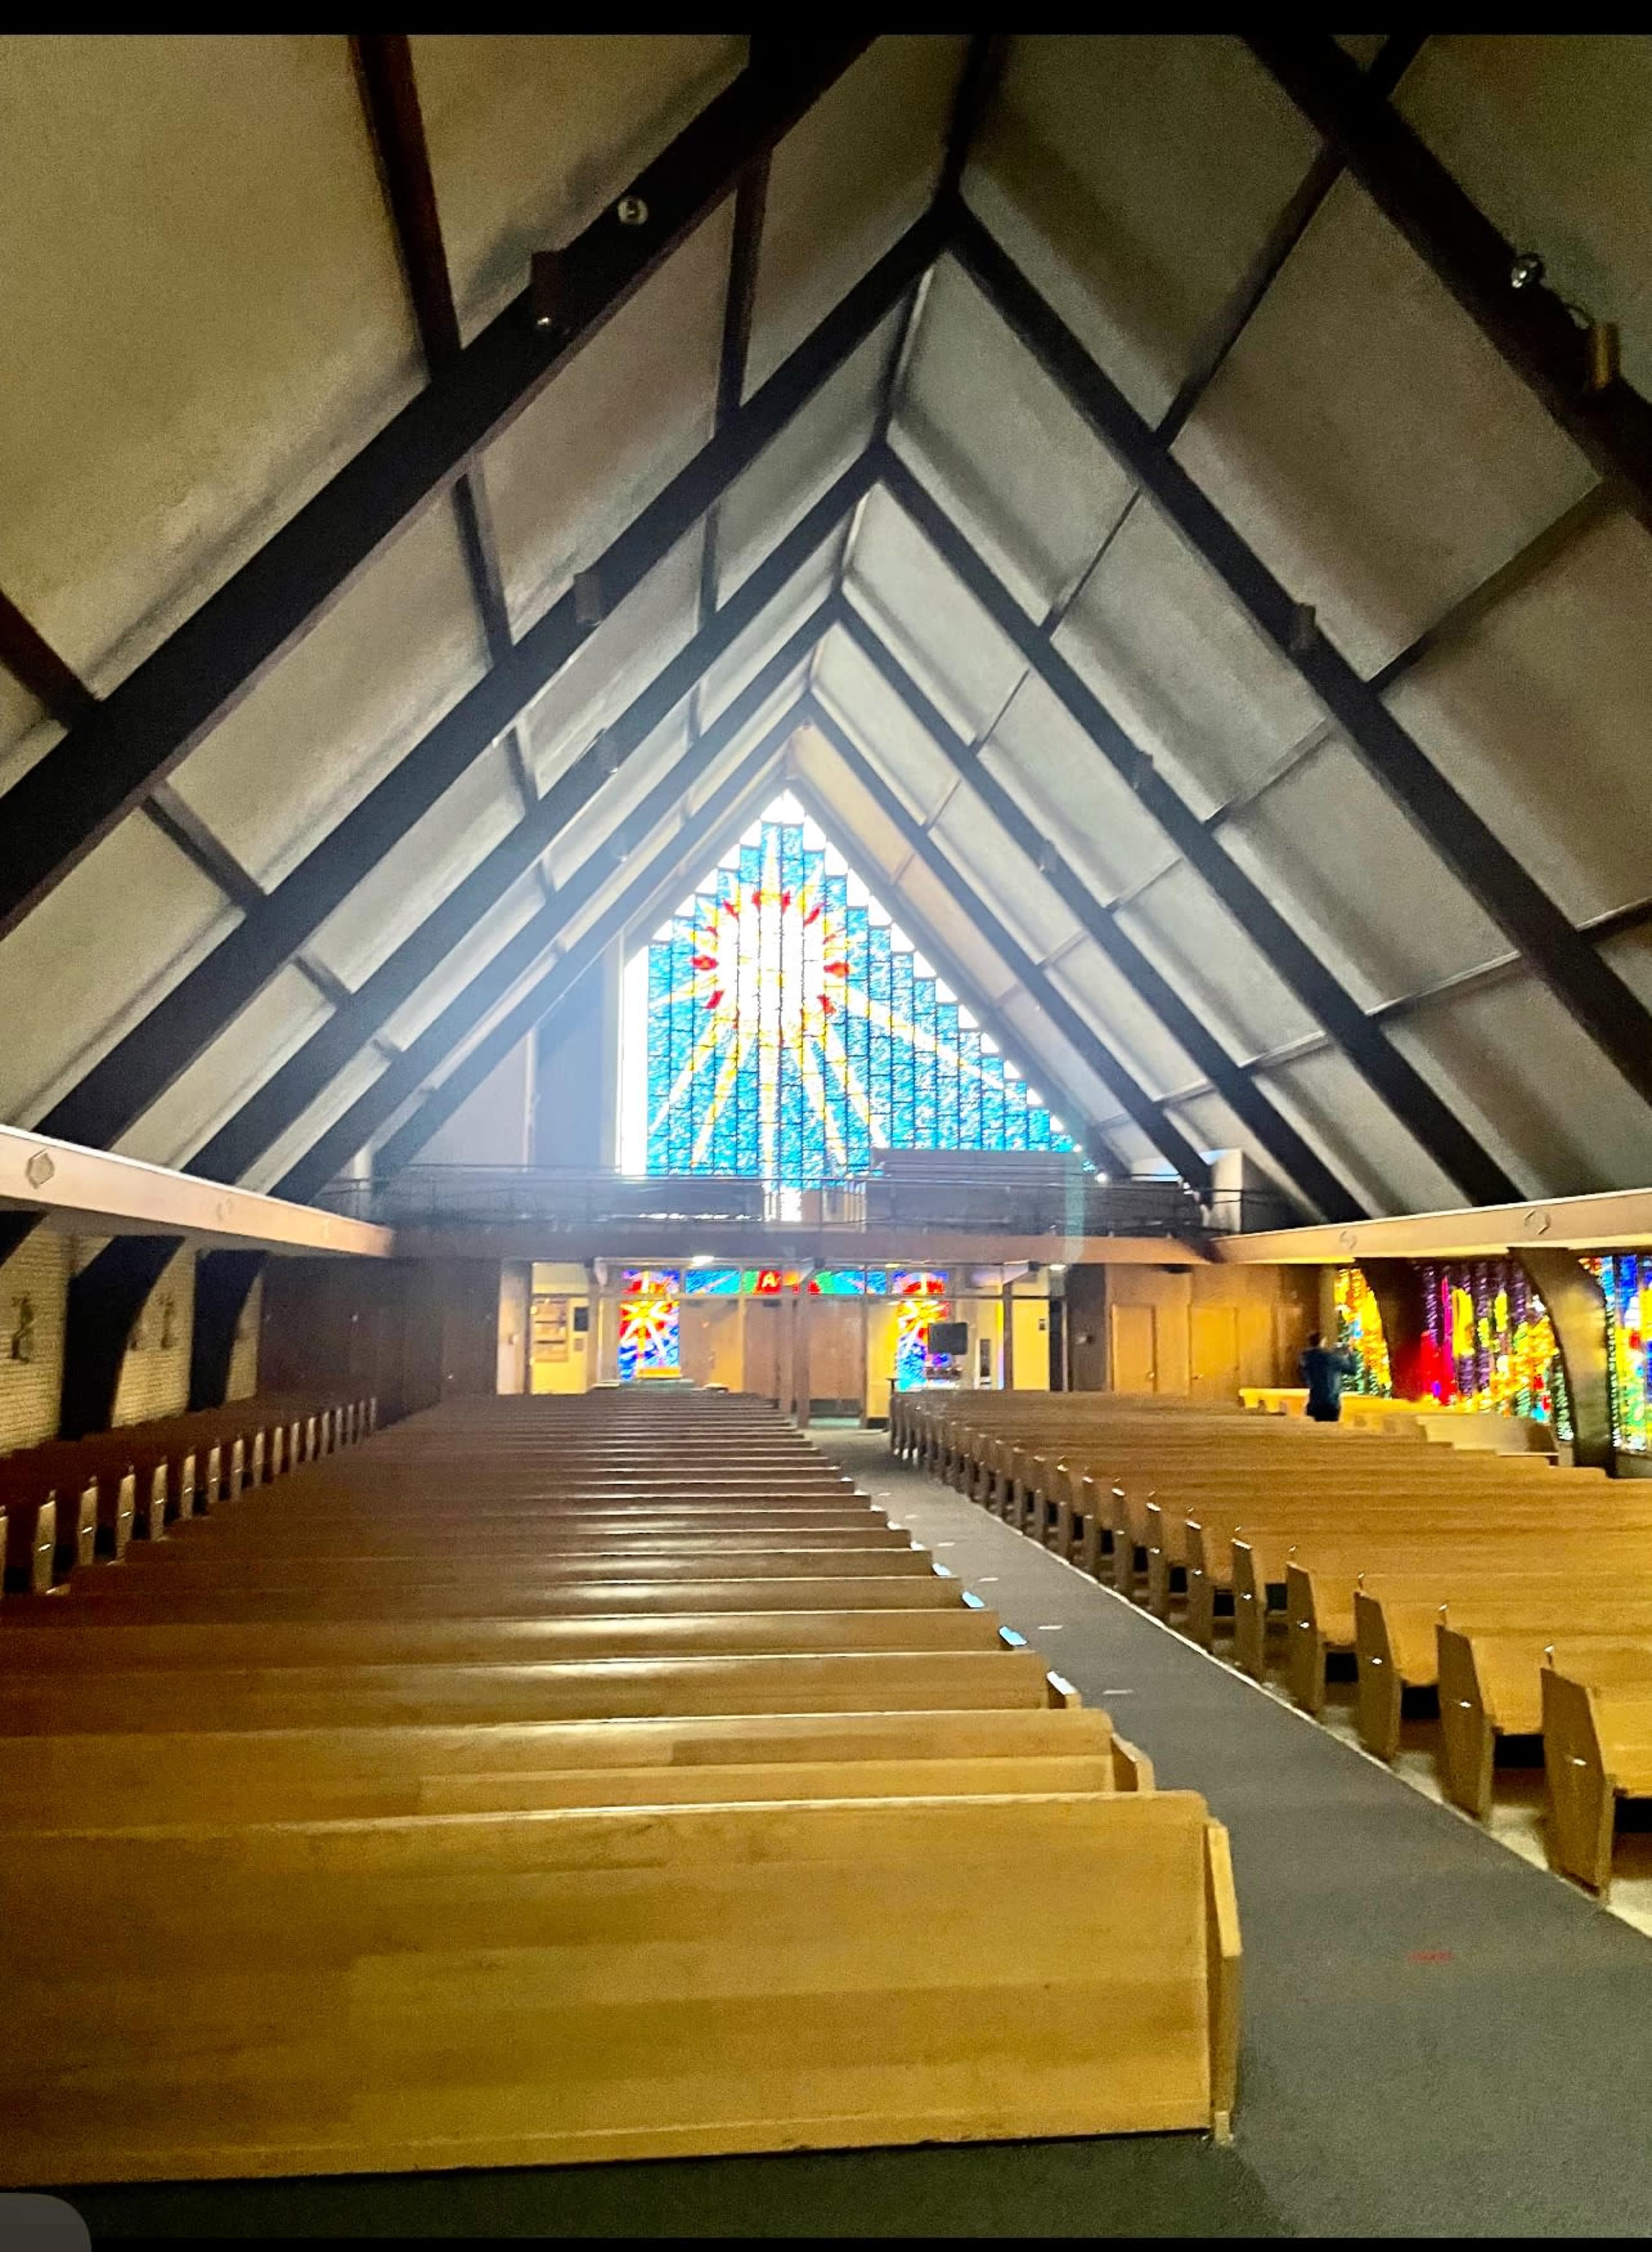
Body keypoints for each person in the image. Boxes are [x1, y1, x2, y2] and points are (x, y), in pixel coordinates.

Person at [1299, 1330, 1355, 1424]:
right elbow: (1352, 1370)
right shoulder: (1332, 1358)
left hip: (1314, 1403)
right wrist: (1350, 1352)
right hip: (1331, 1404)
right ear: (1323, 1342)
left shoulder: (1306, 1358)